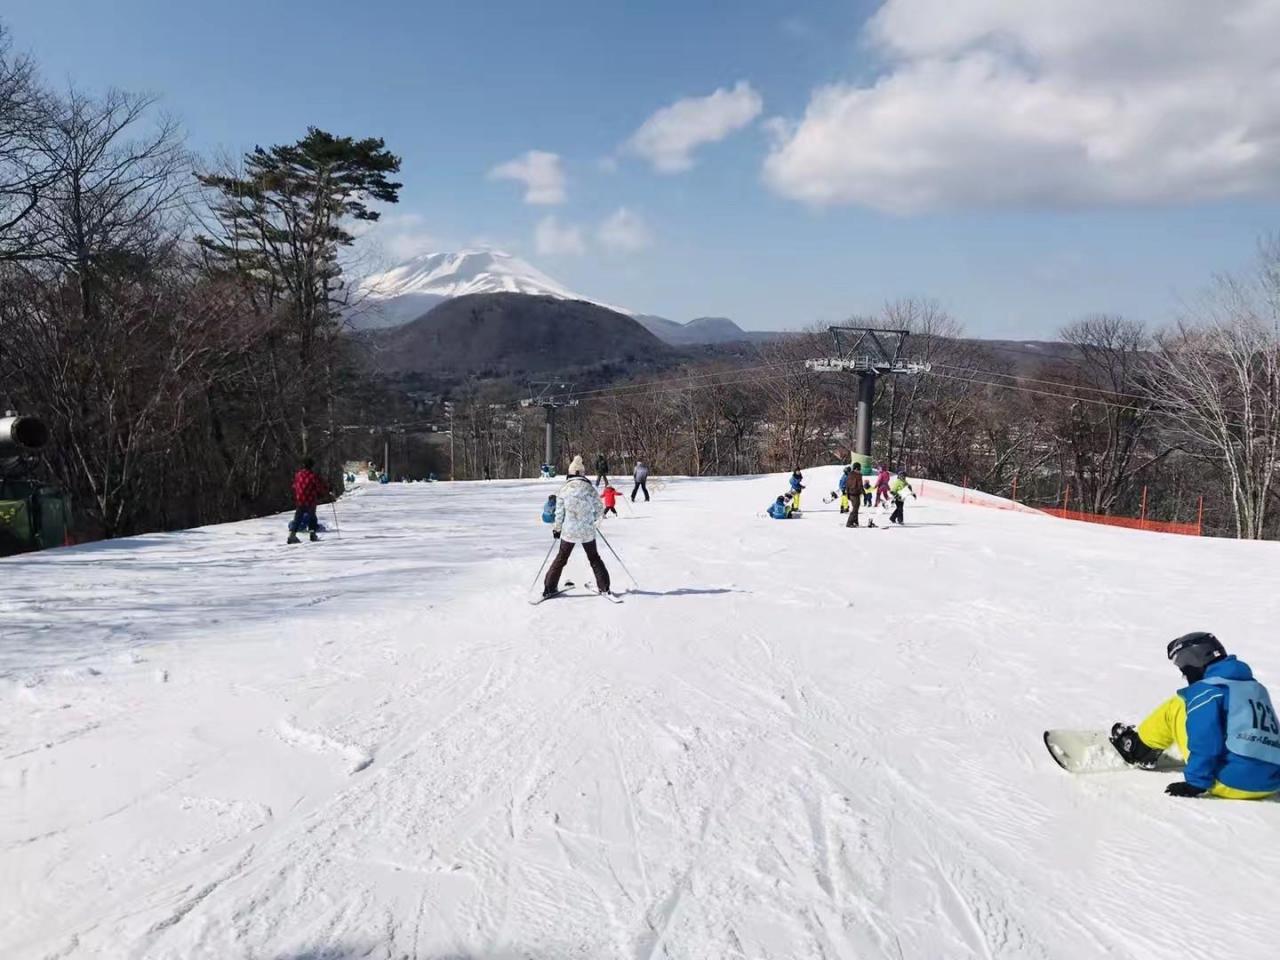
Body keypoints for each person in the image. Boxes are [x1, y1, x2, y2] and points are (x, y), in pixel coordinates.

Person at [1111, 632, 1280, 799]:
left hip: (1233, 783)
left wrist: (1196, 783)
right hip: (1271, 783)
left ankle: (1137, 748)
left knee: (1177, 705)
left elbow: (1206, 738)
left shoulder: (1207, 691)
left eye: (1184, 668)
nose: (1184, 675)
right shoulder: (1255, 688)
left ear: (1195, 661)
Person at [544, 455, 611, 597]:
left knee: (561, 558)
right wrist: (591, 520)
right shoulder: (589, 488)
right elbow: (599, 509)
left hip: (569, 531)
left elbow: (559, 513)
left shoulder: (564, 489)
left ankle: (549, 588)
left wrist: (557, 529)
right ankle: (604, 587)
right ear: (582, 473)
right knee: (594, 558)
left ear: (571, 473)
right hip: (587, 531)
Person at [288, 457, 329, 544]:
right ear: (312, 466)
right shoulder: (313, 476)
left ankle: (292, 535)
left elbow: (294, 486)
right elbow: (319, 487)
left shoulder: (298, 475)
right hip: (310, 500)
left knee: (297, 518)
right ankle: (312, 534)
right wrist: (326, 491)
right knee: (312, 517)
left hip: (300, 500)